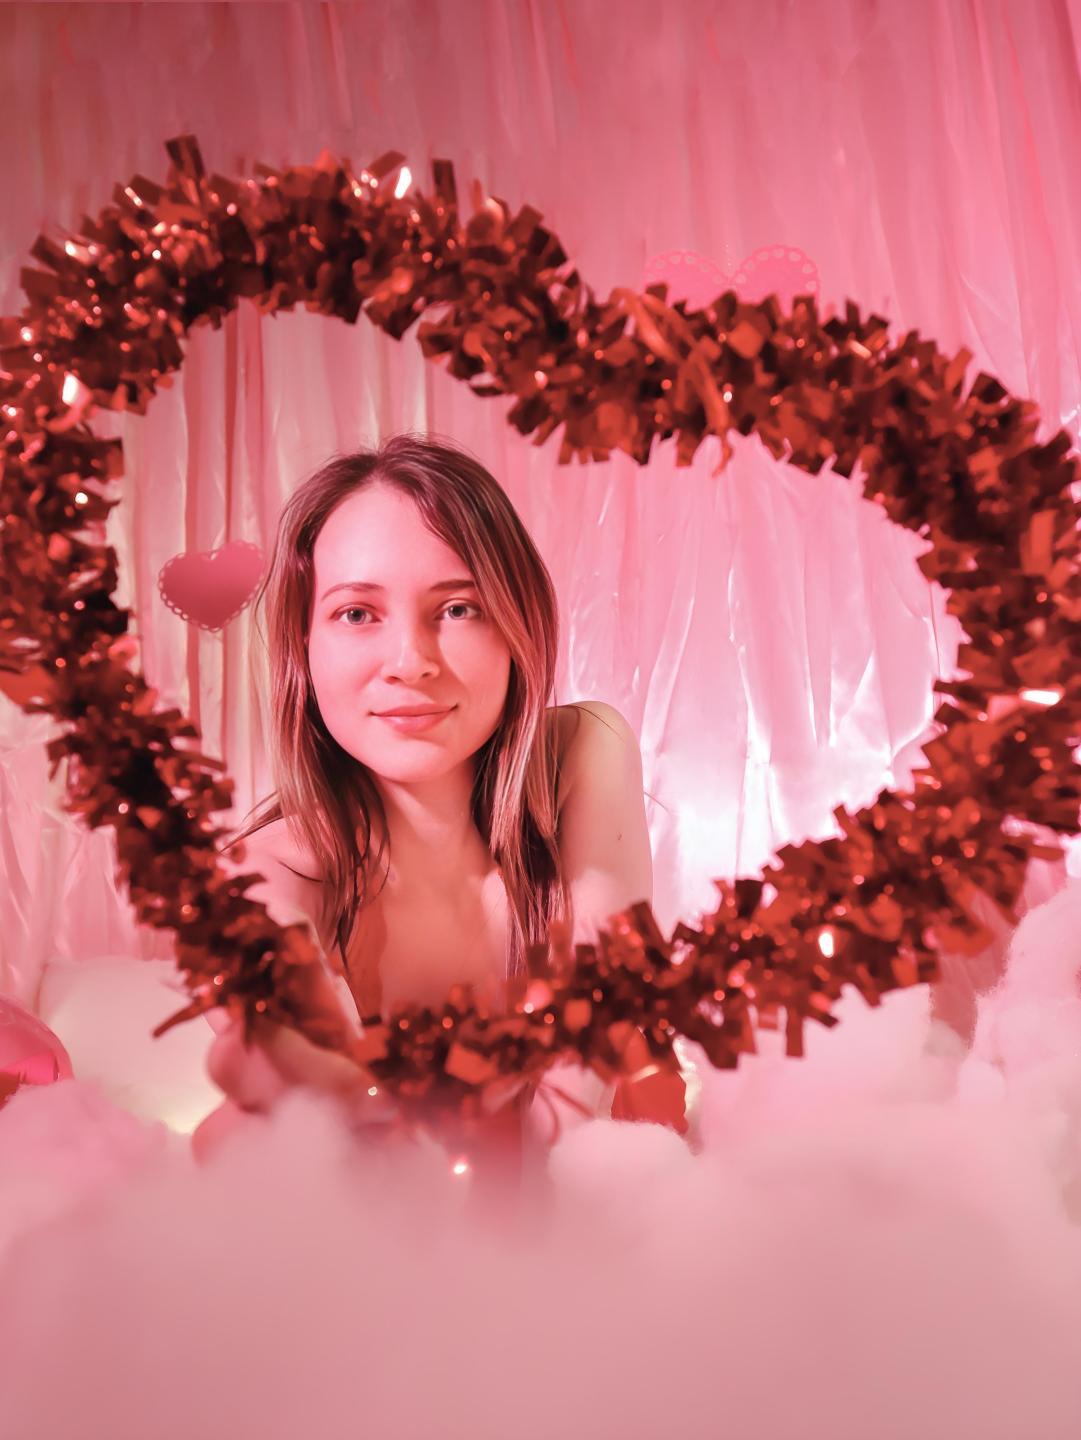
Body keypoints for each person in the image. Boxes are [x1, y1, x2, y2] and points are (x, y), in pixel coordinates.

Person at [193, 433, 687, 1171]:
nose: (410, 662)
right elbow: (323, 1123)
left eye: (458, 608)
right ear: (304, 648)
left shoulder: (582, 752)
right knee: (243, 1134)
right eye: (356, 614)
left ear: (518, 627)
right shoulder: (258, 883)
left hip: (591, 1183)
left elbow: (584, 1066)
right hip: (376, 1200)